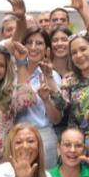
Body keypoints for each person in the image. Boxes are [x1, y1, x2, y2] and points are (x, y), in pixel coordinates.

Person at [18, 29, 64, 166]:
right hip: (16, 136)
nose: (33, 47)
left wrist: (46, 100)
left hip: (43, 136)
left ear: (46, 49)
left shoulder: (51, 75)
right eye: (29, 42)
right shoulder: (12, 73)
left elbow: (56, 119)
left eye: (39, 43)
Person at [58, 33, 89, 136]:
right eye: (74, 53)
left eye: (83, 49)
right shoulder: (69, 80)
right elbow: (60, 109)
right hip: (77, 142)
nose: (79, 55)